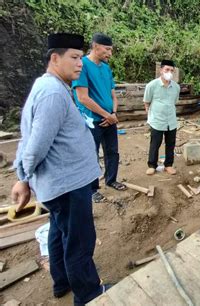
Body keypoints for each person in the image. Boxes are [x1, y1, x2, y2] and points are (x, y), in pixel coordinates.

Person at [11, 33, 110, 305]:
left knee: (59, 233)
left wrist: (24, 176)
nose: (80, 64)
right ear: (55, 58)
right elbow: (36, 145)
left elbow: (28, 137)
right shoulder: (53, 93)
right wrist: (23, 178)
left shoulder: (46, 86)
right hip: (67, 184)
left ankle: (62, 282)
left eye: (81, 58)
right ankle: (88, 294)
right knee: (79, 241)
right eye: (74, 58)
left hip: (60, 184)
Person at [73, 33, 126, 203]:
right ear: (95, 47)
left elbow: (113, 95)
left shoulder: (106, 68)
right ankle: (92, 189)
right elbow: (83, 98)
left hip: (110, 118)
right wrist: (106, 115)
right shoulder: (83, 66)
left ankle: (111, 180)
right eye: (107, 49)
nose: (110, 53)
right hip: (92, 120)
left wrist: (114, 114)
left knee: (112, 151)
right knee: (91, 154)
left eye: (111, 50)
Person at [143, 60, 180, 175]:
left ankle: (168, 165)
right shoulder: (152, 85)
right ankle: (152, 165)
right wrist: (150, 116)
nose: (169, 72)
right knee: (155, 143)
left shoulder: (176, 87)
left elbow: (174, 101)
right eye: (167, 70)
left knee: (170, 143)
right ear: (161, 70)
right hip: (157, 120)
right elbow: (147, 102)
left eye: (171, 71)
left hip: (171, 120)